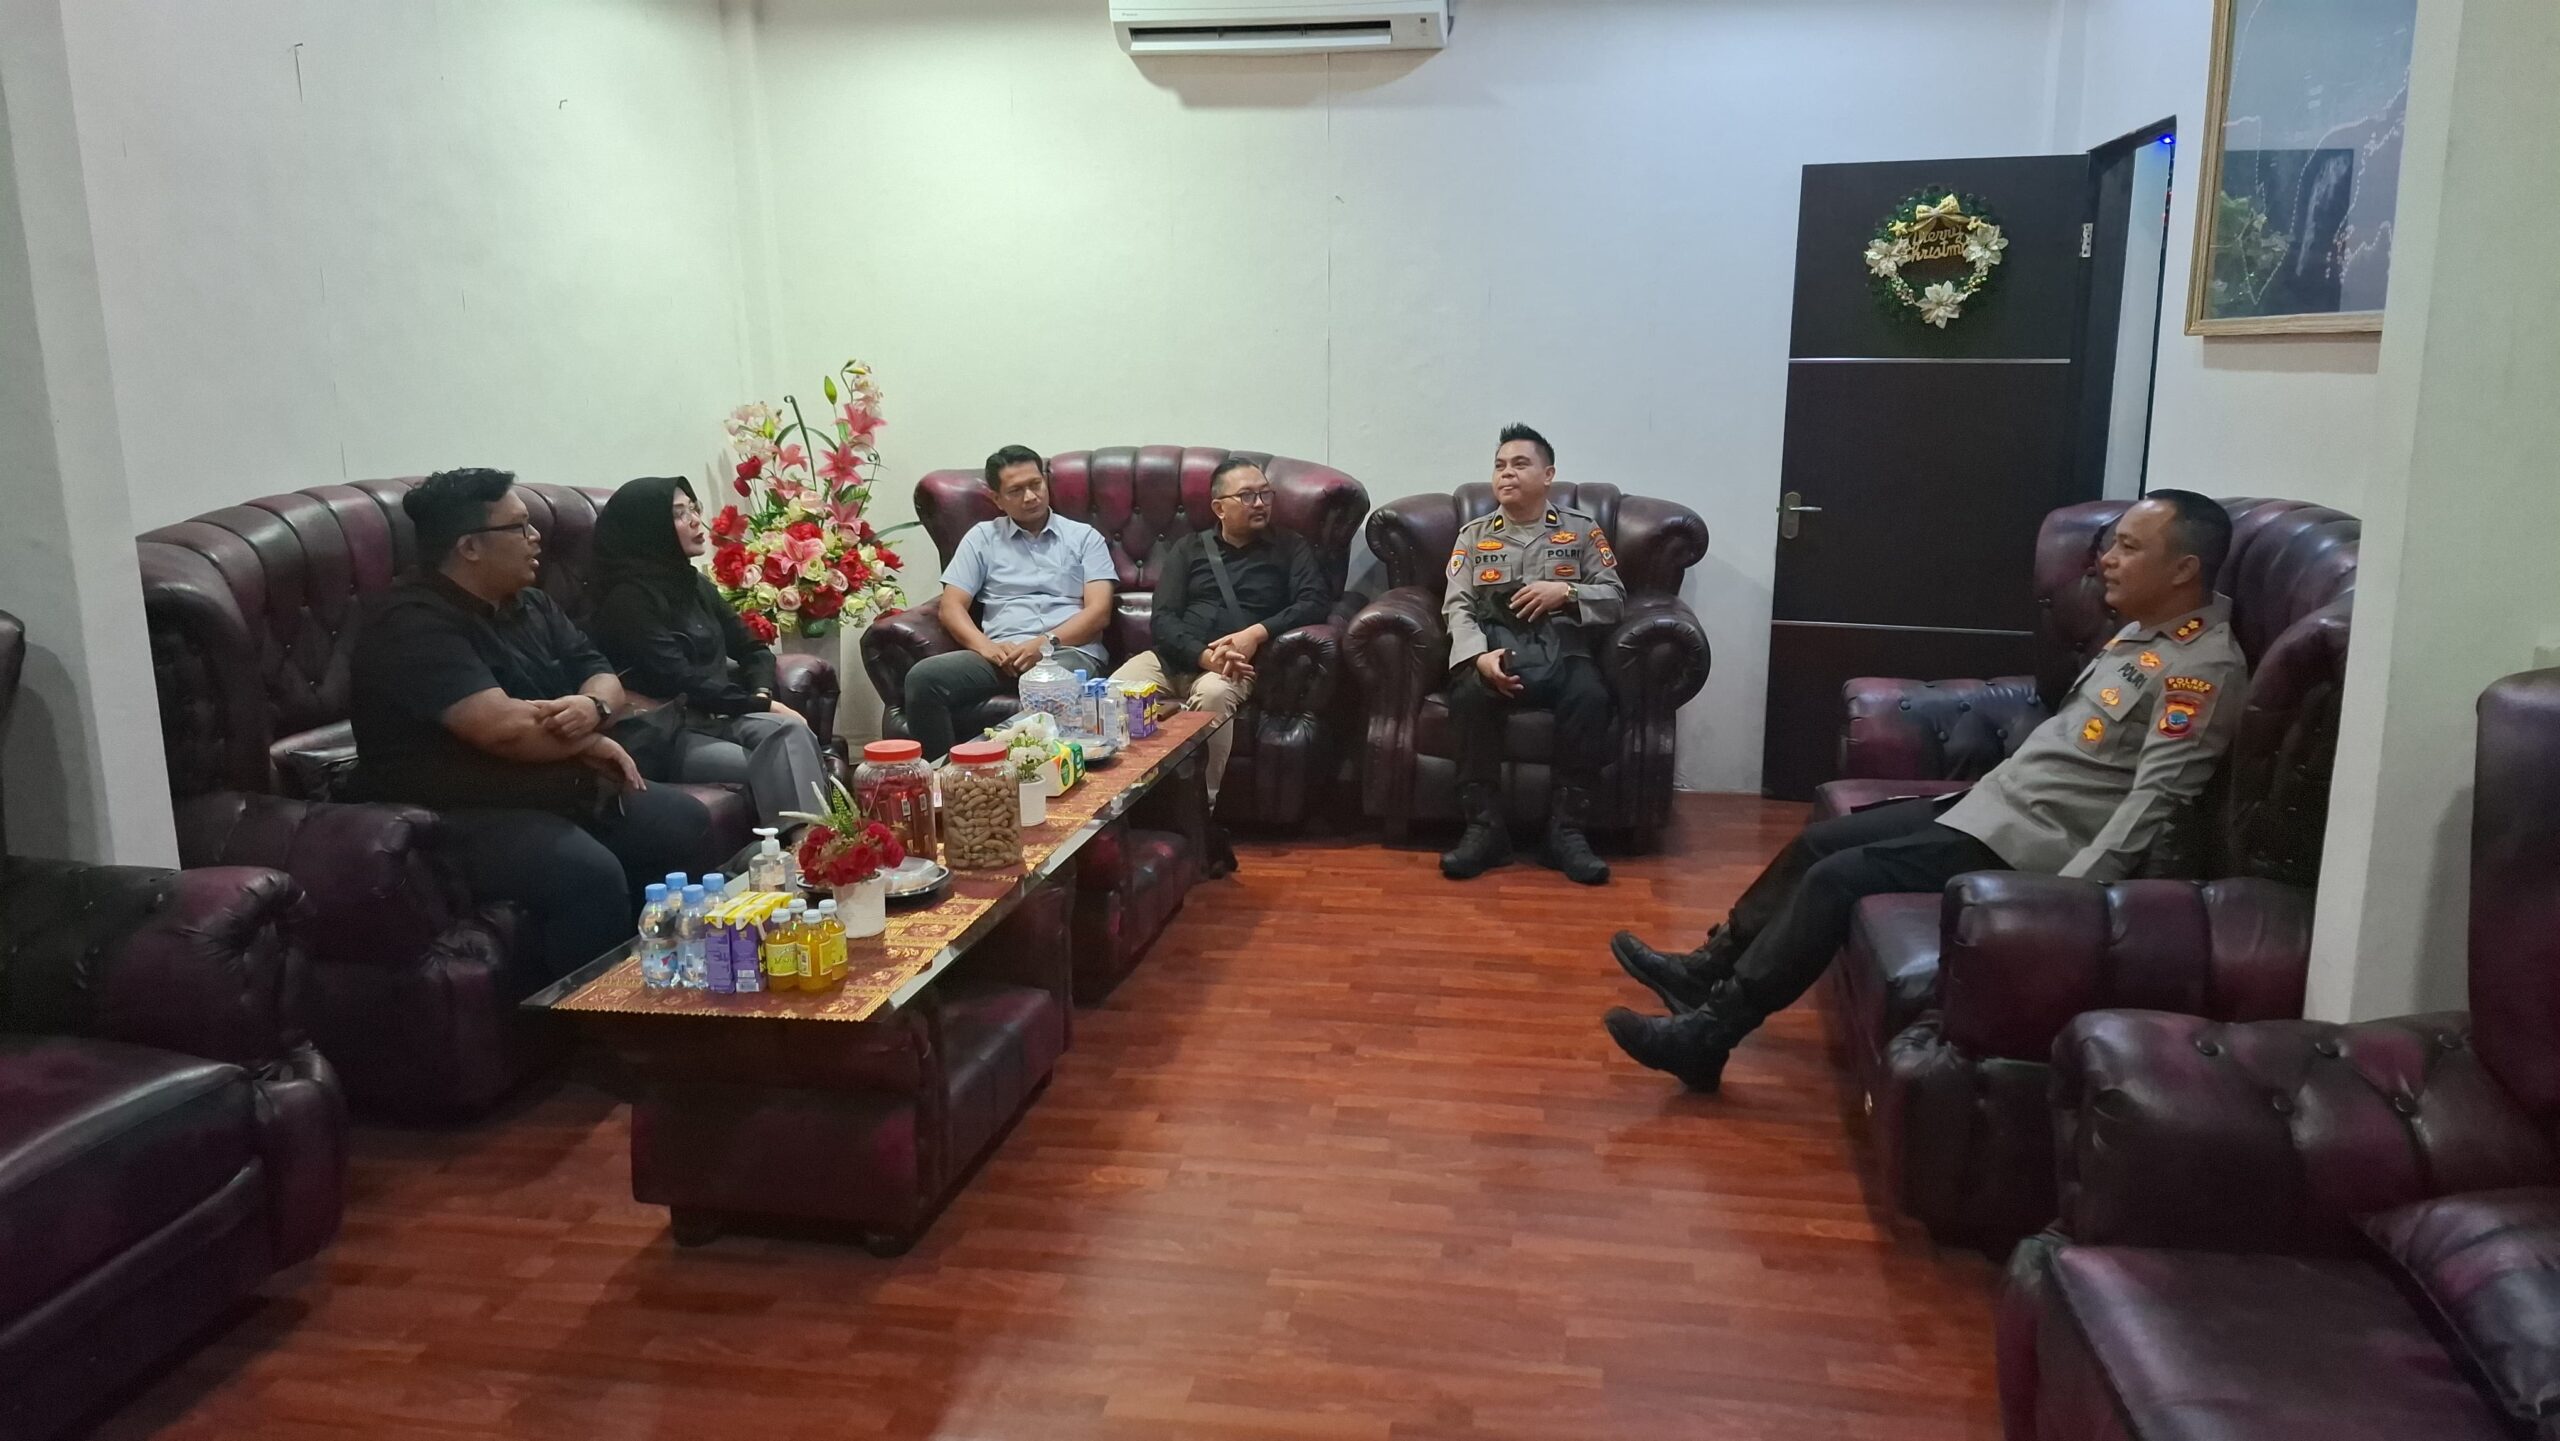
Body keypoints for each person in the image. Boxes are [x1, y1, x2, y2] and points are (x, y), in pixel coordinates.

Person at [1604, 491, 2250, 1092]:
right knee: (1822, 842)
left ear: (2183, 570)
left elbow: (2155, 802)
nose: (2106, 559)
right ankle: (1706, 968)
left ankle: (1711, 1033)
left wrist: (2077, 896)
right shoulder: (2142, 629)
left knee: (1838, 879)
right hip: (1994, 804)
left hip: (2031, 843)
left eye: (2129, 548)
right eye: (2113, 544)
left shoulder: (2201, 671)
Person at [348, 468, 713, 991]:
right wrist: (592, 736)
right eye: (519, 527)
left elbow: (604, 676)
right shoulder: (412, 623)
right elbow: (503, 730)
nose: (536, 537)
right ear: (470, 547)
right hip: (454, 810)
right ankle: (585, 1022)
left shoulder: (532, 603)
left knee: (682, 822)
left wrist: (592, 705)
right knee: (587, 873)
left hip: (544, 784)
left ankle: (672, 986)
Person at [1111, 455, 1332, 877]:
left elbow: (1314, 602)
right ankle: (1120, 808)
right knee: (1113, 692)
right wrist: (1203, 655)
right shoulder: (1188, 549)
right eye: (1247, 496)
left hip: (1234, 667)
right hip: (1175, 658)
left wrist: (1255, 634)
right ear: (1219, 507)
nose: (1260, 503)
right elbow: (1163, 619)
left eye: (1265, 493)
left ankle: (1197, 815)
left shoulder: (1290, 547)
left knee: (1212, 694)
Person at [1438, 423, 1623, 886]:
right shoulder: (1473, 535)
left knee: (1590, 697)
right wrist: (1476, 657)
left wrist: (1567, 592)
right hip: (1496, 643)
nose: (1507, 474)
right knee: (1469, 695)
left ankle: (1566, 832)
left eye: (1520, 464)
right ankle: (1484, 830)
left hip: (1564, 645)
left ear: (1548, 475)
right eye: (1500, 465)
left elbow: (1615, 598)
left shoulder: (1581, 531)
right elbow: (1457, 606)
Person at [587, 475, 828, 827]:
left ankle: (821, 846)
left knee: (791, 734)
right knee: (783, 759)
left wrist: (761, 692)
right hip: (670, 734)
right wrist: (761, 706)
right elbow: (679, 679)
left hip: (718, 718)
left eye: (693, 508)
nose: (696, 521)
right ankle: (808, 848)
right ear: (649, 529)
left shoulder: (695, 584)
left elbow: (754, 649)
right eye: (678, 514)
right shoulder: (628, 601)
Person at [904, 445, 1117, 758]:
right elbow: (951, 607)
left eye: (1035, 485)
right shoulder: (982, 538)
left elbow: (1098, 613)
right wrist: (985, 647)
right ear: (997, 499)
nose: (1030, 497)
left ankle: (1010, 765)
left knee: (1051, 686)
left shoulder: (1084, 537)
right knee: (923, 678)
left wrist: (1043, 644)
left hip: (1066, 652)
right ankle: (944, 776)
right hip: (1000, 655)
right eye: (1016, 491)